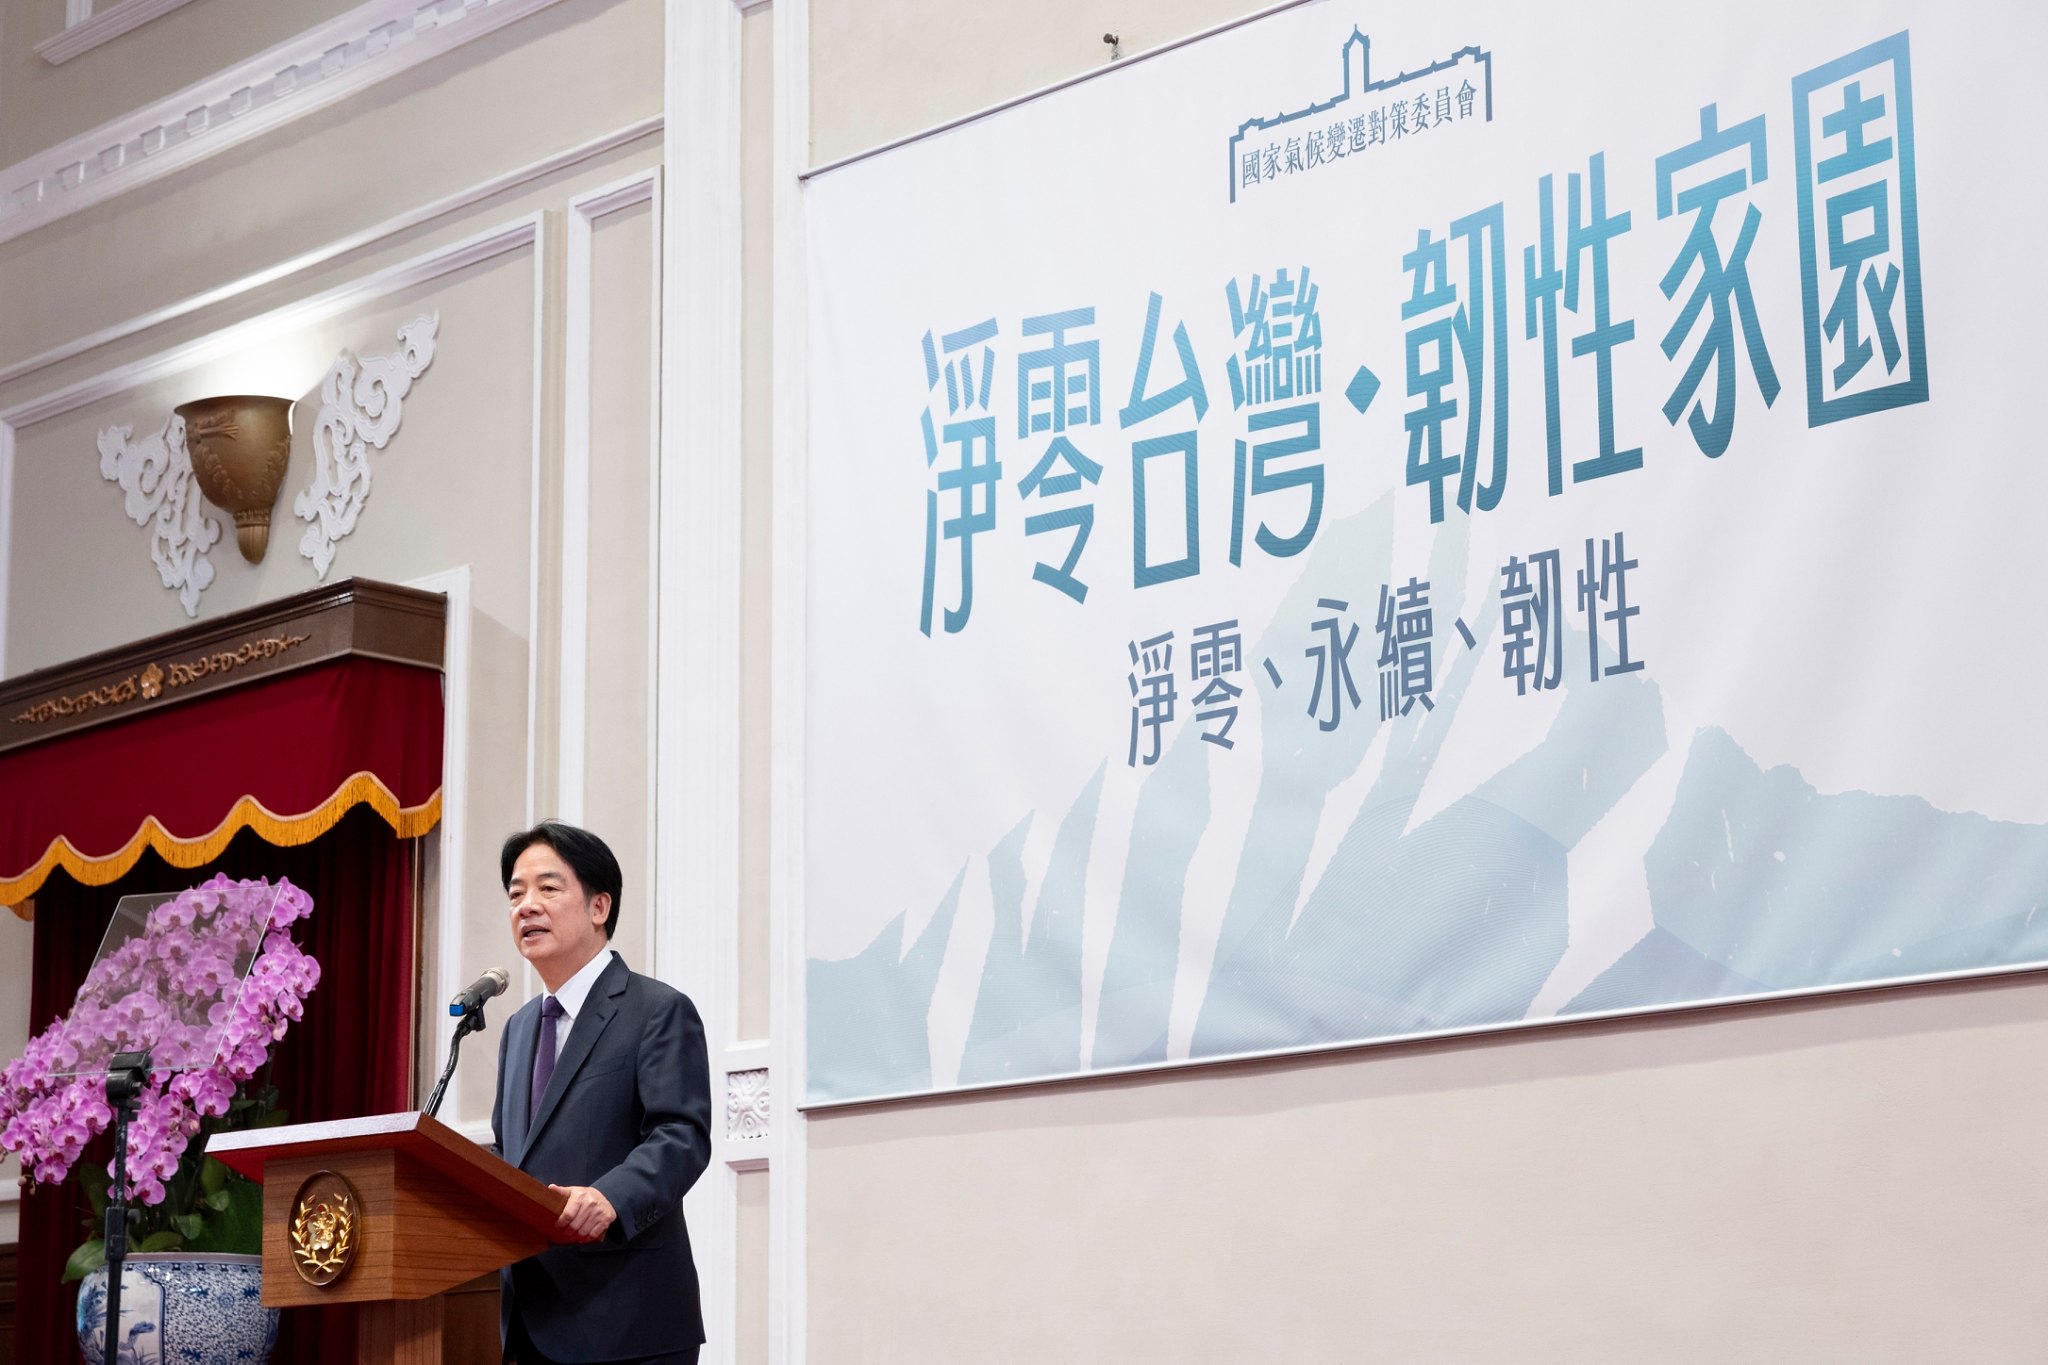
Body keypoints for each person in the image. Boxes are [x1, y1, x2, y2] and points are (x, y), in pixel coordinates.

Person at [490, 820, 711, 1365]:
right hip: (529, 1324)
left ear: (599, 907)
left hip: (628, 1321)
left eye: (548, 887)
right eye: (516, 894)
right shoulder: (518, 1029)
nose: (526, 906)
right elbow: (508, 1153)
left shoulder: (656, 1010)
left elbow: (681, 1136)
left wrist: (611, 1197)